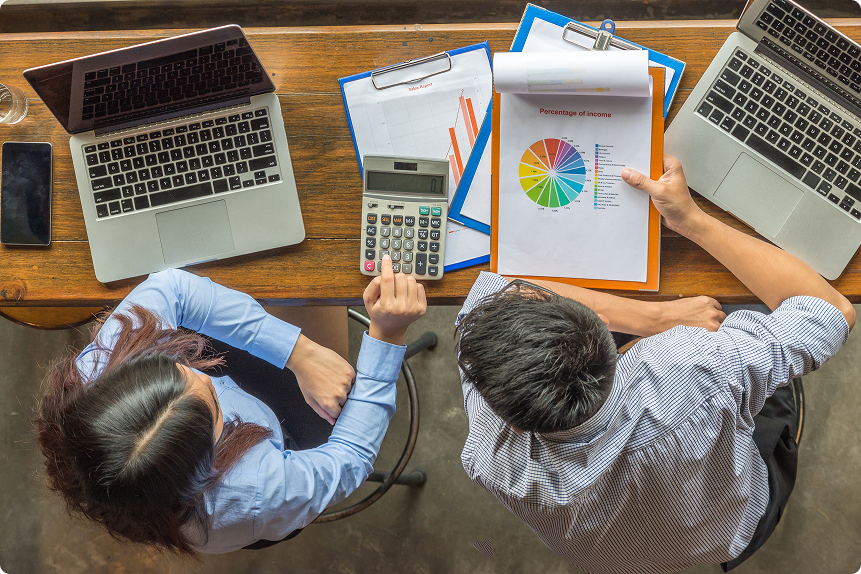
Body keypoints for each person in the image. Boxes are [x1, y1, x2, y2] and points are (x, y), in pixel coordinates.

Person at [455, 155, 855, 574]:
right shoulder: (693, 364)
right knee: (752, 316)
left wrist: (655, 323)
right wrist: (689, 227)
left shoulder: (486, 450)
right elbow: (831, 310)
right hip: (739, 521)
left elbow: (488, 297)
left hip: (625, 555)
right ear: (605, 327)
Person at [34, 254, 425, 555]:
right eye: (214, 407)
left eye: (180, 370)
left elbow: (175, 289)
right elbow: (349, 459)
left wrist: (298, 352)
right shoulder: (259, 491)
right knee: (313, 295)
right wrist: (387, 338)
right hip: (277, 454)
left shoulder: (102, 367)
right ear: (209, 460)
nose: (208, 377)